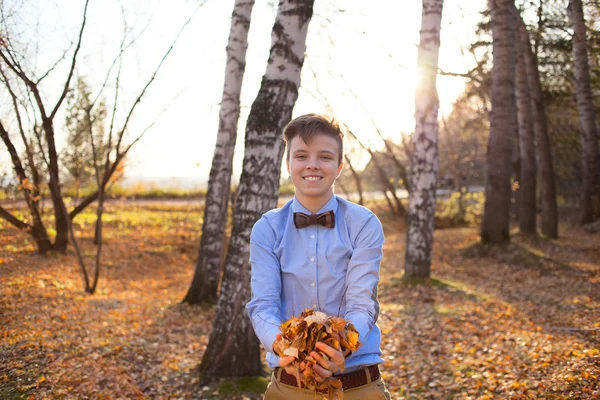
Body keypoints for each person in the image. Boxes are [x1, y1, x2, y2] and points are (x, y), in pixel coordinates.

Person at [246, 114, 391, 399]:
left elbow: (363, 304)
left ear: (338, 167)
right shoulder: (267, 229)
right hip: (289, 386)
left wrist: (341, 348)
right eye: (301, 155)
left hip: (357, 385)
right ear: (288, 165)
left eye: (324, 156)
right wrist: (283, 348)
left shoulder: (364, 224)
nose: (312, 164)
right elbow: (263, 305)